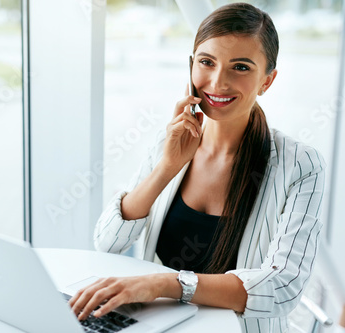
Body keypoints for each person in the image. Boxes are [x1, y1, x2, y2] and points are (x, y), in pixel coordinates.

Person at [69, 3, 326, 333]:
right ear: (191, 66)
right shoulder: (172, 143)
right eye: (207, 62)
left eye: (241, 67)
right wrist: (167, 167)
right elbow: (107, 242)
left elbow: (283, 287)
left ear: (267, 80)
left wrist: (166, 284)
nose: (218, 82)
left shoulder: (300, 165)